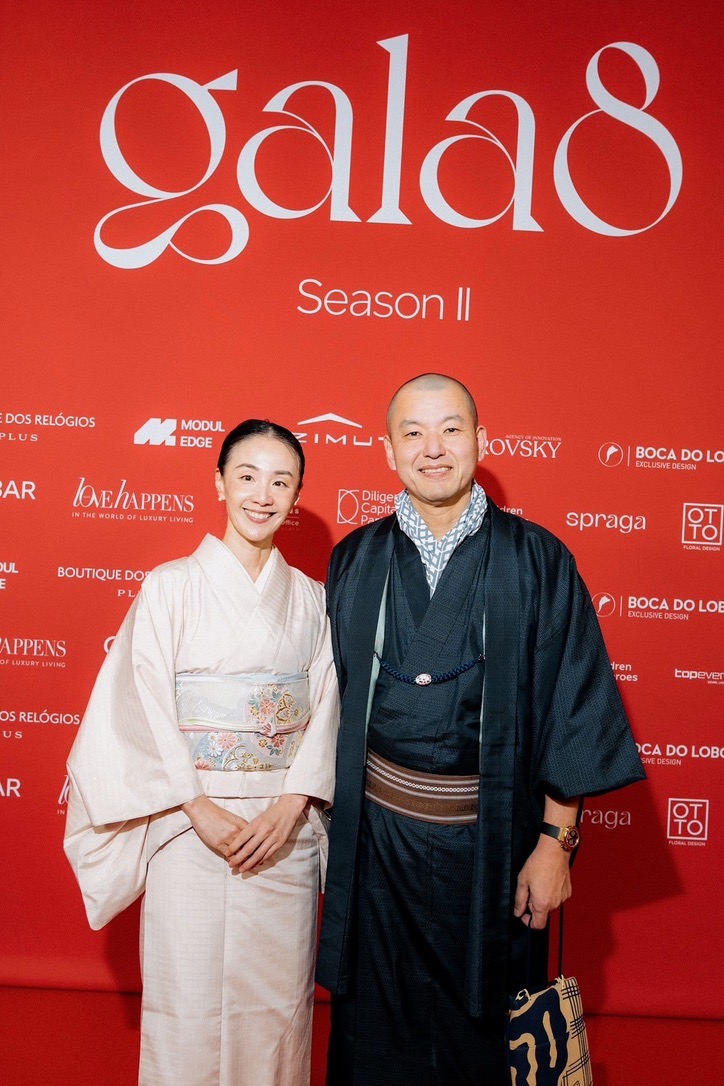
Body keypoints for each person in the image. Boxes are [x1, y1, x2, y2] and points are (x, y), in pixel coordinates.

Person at [316, 374, 645, 1085]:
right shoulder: (355, 558)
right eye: (413, 433)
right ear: (388, 450)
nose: (433, 449)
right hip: (377, 847)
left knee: (486, 1042)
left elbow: (573, 704)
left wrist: (556, 843)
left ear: (480, 441)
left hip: (492, 847)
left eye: (451, 429)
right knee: (375, 1041)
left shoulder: (537, 560)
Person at [64, 419, 339, 1086]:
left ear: (297, 495)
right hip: (187, 829)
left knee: (277, 1015)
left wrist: (292, 803)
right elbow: (141, 705)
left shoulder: (312, 600)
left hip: (282, 835)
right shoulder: (169, 588)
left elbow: (328, 705)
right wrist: (196, 806)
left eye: (281, 481)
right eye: (247, 476)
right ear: (219, 482)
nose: (262, 494)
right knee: (184, 1010)